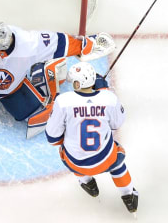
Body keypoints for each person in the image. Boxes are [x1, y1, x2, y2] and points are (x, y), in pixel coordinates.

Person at [45, 61, 138, 214]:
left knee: (65, 150)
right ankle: (129, 197)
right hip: (105, 160)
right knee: (117, 158)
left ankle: (88, 183)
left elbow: (52, 138)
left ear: (77, 83)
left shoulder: (63, 101)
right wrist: (103, 91)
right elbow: (117, 123)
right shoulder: (109, 98)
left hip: (76, 164)